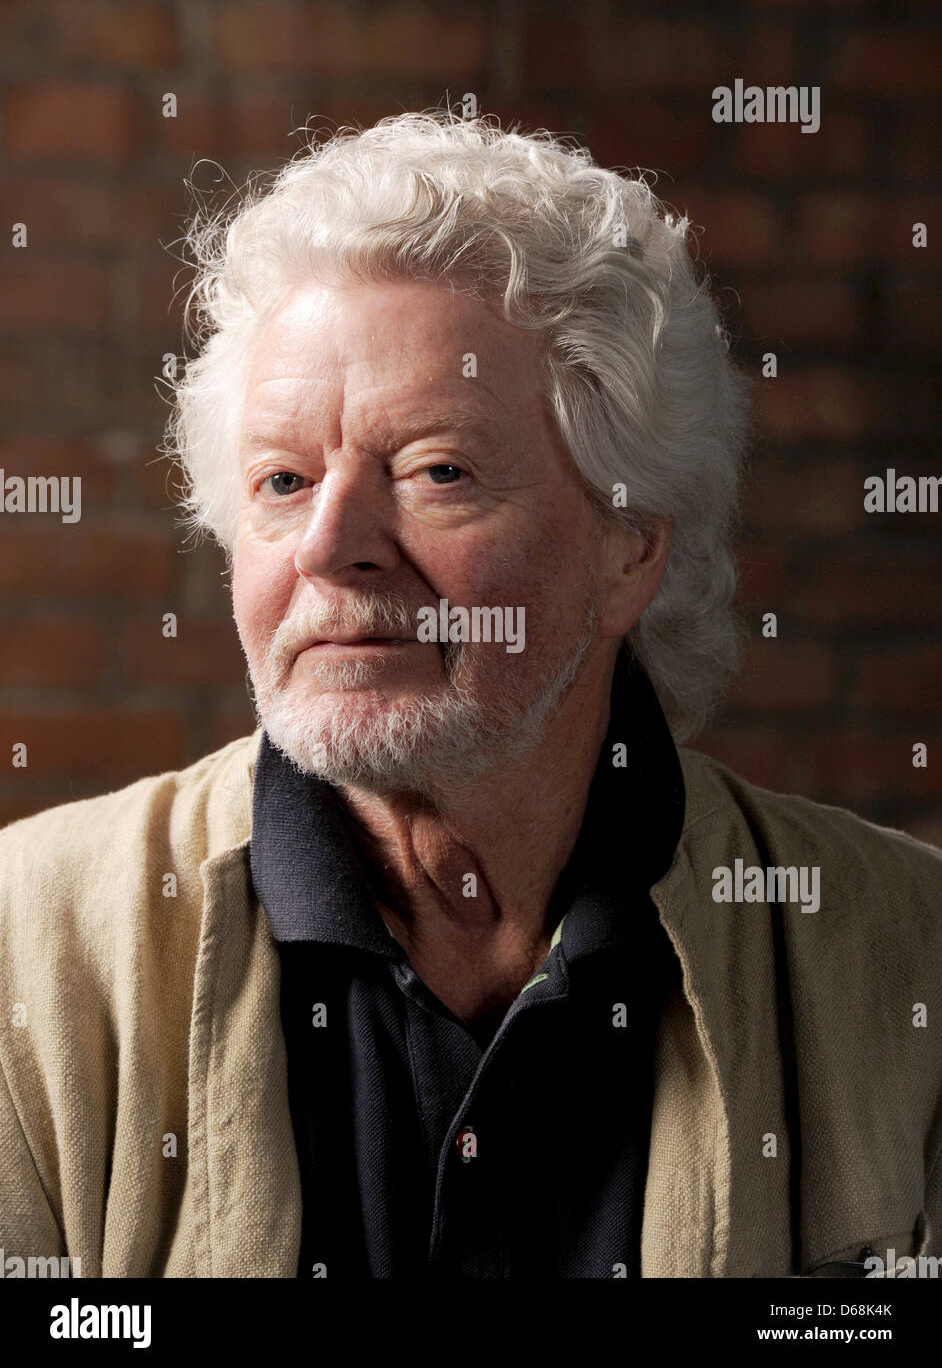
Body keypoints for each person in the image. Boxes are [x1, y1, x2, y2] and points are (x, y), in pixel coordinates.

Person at [1, 111, 939, 1280]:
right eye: (282, 481)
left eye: (436, 470)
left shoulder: (909, 958)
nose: (330, 544)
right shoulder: (25, 947)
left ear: (629, 549)